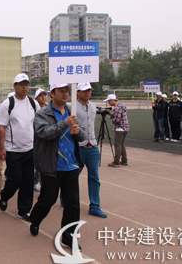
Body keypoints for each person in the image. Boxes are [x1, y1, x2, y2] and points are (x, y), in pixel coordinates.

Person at [29, 83, 85, 251]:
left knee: (73, 204)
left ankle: (68, 238)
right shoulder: (43, 113)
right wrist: (65, 124)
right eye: (61, 91)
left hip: (71, 166)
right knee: (47, 200)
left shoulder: (71, 111)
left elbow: (82, 135)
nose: (65, 94)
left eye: (66, 91)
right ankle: (35, 220)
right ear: (52, 93)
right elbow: (43, 133)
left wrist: (78, 132)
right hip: (52, 166)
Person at [0, 73, 39, 221]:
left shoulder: (34, 104)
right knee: (15, 179)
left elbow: (37, 125)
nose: (24, 87)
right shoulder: (8, 104)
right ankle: (5, 195)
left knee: (28, 180)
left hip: (30, 149)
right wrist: (2, 148)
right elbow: (1, 127)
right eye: (21, 84)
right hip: (13, 150)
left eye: (26, 84)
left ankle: (24, 210)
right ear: (15, 86)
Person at [76, 82, 107, 218]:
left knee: (94, 177)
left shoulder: (93, 106)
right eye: (84, 90)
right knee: (72, 177)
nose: (87, 93)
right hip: (78, 147)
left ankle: (94, 206)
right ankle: (65, 196)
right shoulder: (72, 107)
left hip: (92, 147)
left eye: (89, 90)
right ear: (78, 92)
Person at [106, 94, 129, 167]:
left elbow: (117, 120)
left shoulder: (117, 108)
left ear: (112, 100)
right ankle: (124, 160)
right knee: (121, 144)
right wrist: (111, 115)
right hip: (125, 128)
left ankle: (116, 161)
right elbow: (118, 116)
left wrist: (112, 119)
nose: (109, 103)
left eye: (109, 101)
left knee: (117, 145)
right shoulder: (121, 106)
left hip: (120, 128)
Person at [34, 88, 48, 192]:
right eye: (41, 95)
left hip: (47, 138)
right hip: (36, 139)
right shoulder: (34, 109)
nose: (43, 97)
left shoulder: (50, 109)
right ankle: (35, 181)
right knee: (38, 162)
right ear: (36, 98)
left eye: (45, 95)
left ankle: (44, 183)